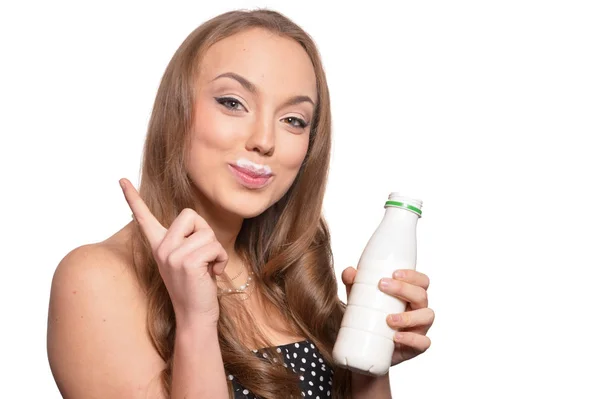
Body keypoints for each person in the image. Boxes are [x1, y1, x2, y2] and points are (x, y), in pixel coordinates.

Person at [46, 9, 434, 399]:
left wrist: (370, 363)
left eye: (294, 120)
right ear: (177, 110)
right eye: (233, 103)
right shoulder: (96, 279)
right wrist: (196, 321)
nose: (265, 140)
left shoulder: (291, 280)